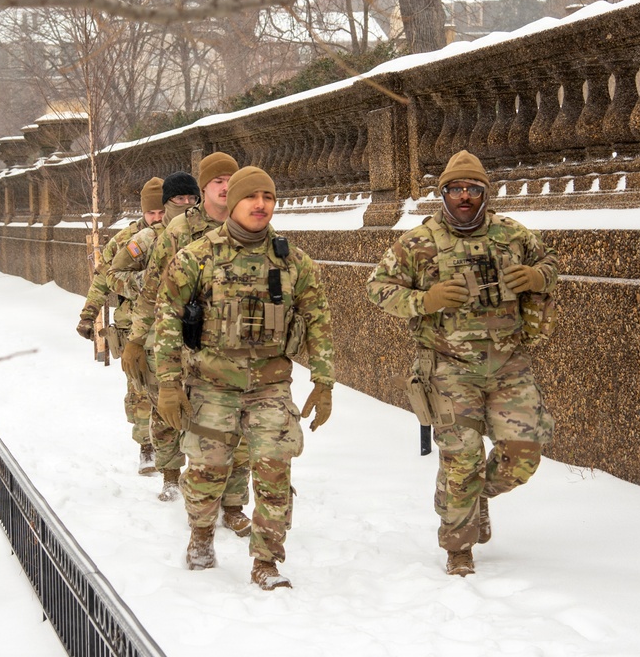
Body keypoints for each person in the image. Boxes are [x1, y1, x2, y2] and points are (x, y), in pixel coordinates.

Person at [365, 150, 557, 577]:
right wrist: (423, 300)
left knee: (524, 454)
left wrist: (538, 277)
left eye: (473, 189)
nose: (465, 196)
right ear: (444, 193)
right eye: (456, 189)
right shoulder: (419, 241)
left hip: (509, 363)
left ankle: (472, 498)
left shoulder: (512, 234)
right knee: (461, 460)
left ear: (485, 193)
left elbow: (549, 262)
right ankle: (459, 549)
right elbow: (376, 287)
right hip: (449, 367)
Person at [152, 166, 334, 590]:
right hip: (212, 385)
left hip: (270, 386)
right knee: (207, 470)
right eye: (252, 197)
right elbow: (168, 319)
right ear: (232, 202)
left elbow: (319, 318)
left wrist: (324, 381)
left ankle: (266, 562)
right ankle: (200, 535)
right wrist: (167, 384)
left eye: (268, 197)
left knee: (274, 473)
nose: (260, 205)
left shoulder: (293, 261)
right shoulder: (197, 256)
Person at [123, 153, 254, 538]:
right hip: (183, 343)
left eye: (233, 178)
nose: (227, 186)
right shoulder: (178, 231)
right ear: (204, 189)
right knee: (184, 421)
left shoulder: (250, 222)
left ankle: (233, 505)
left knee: (239, 431)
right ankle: (172, 473)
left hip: (235, 346)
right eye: (218, 181)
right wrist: (136, 338)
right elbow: (153, 289)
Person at [110, 171, 201, 493]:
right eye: (180, 200)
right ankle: (170, 475)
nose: (188, 205)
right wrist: (146, 284)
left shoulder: (207, 235)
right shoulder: (148, 239)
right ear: (167, 203)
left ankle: (203, 474)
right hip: (156, 335)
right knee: (164, 406)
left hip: (199, 335)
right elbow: (114, 274)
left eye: (193, 199)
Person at [76, 176, 164, 473]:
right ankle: (147, 447)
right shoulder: (127, 239)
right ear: (143, 211)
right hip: (133, 328)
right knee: (140, 388)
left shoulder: (179, 233)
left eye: (161, 211)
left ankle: (173, 449)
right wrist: (88, 315)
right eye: (152, 213)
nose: (157, 218)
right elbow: (103, 278)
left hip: (170, 325)